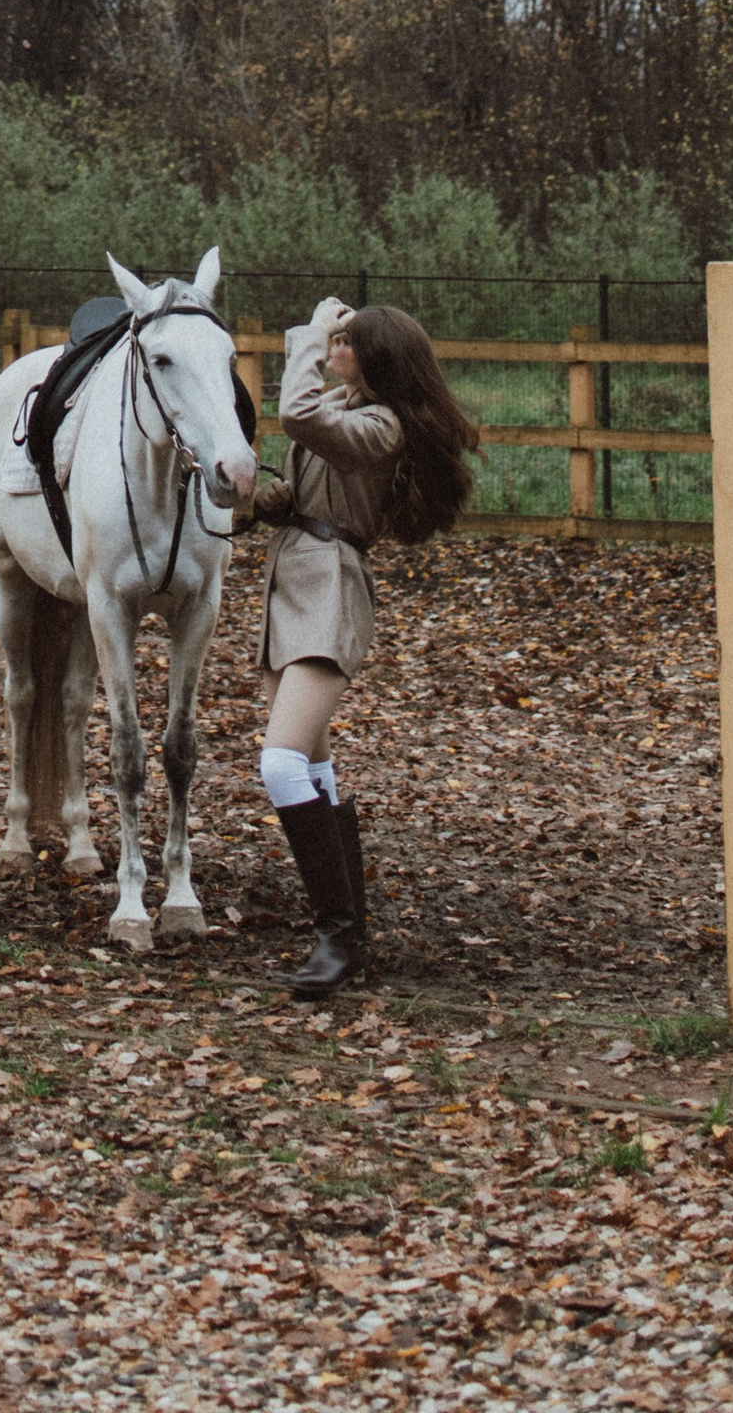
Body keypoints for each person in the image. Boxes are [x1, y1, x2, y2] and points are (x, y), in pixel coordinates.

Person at [254, 296, 479, 1000]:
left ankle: (339, 936)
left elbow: (296, 414)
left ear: (374, 357)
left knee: (280, 763)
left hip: (329, 590)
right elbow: (311, 484)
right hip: (294, 582)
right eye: (335, 339)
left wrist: (309, 335)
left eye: (346, 341)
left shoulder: (382, 426)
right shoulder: (358, 415)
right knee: (312, 766)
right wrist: (261, 496)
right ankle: (345, 935)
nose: (334, 348)